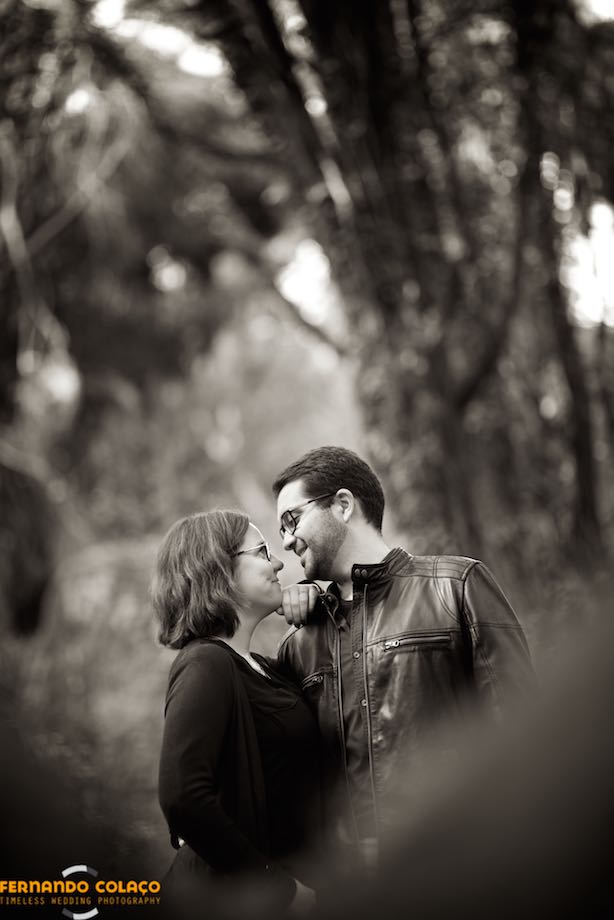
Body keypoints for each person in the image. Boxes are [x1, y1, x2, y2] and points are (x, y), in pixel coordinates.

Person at [273, 446, 535, 871]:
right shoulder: (298, 644)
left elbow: (520, 726)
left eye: (291, 519)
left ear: (342, 505)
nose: (285, 540)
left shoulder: (456, 586)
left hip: (458, 861)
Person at [153, 510, 320, 919]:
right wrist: (276, 887)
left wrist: (320, 603)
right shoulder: (206, 662)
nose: (279, 561)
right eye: (262, 551)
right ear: (219, 570)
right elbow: (183, 797)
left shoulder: (264, 668)